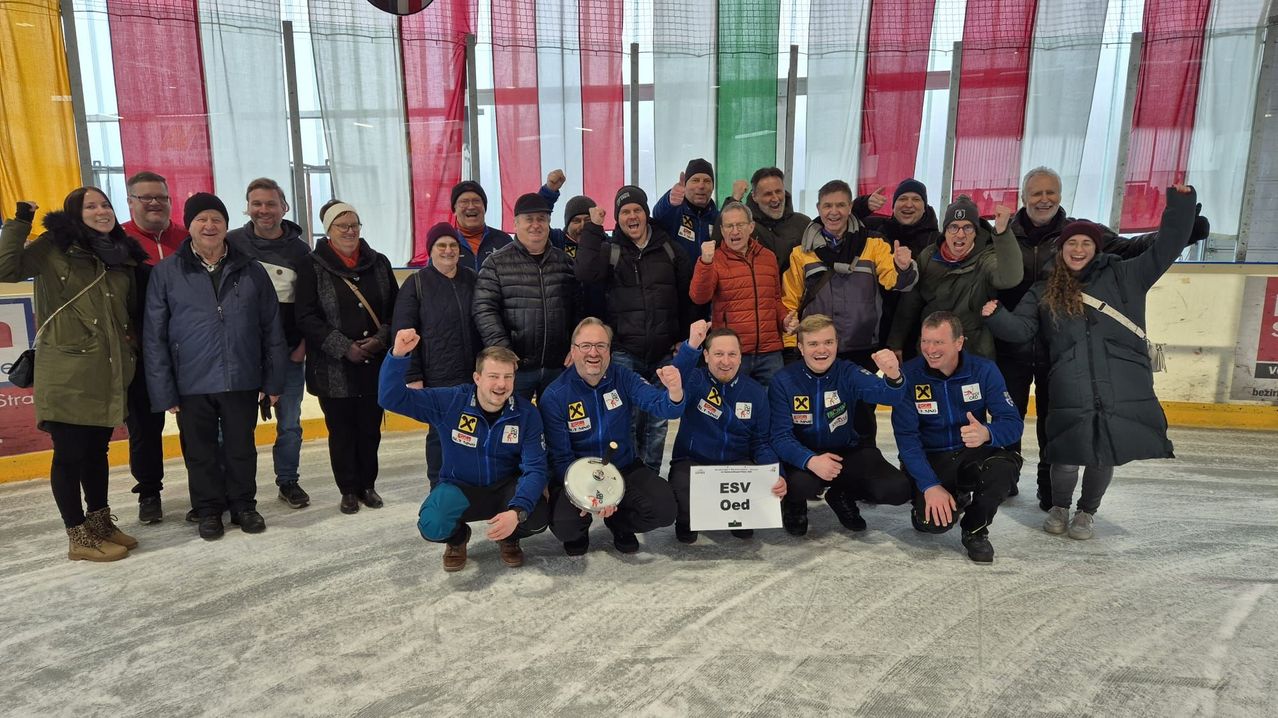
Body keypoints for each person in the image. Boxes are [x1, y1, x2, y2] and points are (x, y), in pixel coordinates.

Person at [983, 185, 1199, 540]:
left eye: (1085, 243)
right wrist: (996, 317)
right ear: (1062, 248)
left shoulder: (1126, 276)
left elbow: (1167, 247)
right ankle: (1059, 505)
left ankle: (1086, 512)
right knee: (1067, 450)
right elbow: (1021, 330)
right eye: (1072, 243)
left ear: (1096, 248)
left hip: (1119, 378)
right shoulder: (1044, 289)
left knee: (1103, 453)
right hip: (1070, 379)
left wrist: (1180, 205)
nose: (1078, 249)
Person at [1, 191, 147, 561]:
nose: (102, 212)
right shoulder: (54, 248)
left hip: (108, 369)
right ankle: (77, 535)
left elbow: (126, 314)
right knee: (69, 453)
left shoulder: (121, 255)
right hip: (66, 369)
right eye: (91, 206)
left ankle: (100, 522)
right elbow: (6, 269)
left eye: (106, 205)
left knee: (96, 451)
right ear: (74, 214)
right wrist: (20, 222)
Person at [144, 193, 287, 540]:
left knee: (241, 448)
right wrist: (165, 391)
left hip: (241, 377)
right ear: (189, 226)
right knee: (200, 452)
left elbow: (271, 328)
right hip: (191, 382)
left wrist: (273, 381)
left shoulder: (251, 270)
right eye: (201, 220)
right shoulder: (166, 273)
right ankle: (209, 509)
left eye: (216, 219)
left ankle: (243, 506)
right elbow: (154, 335)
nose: (209, 226)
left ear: (226, 225)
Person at [380, 335, 550, 571]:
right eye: (493, 376)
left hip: (505, 489)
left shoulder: (526, 414)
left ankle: (509, 536)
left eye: (507, 377)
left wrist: (517, 511)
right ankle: (458, 539)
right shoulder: (451, 401)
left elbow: (535, 468)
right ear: (477, 378)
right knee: (432, 523)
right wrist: (398, 356)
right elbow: (391, 398)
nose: (501, 384)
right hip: (460, 488)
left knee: (537, 515)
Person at [781, 179, 917, 443]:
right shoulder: (801, 253)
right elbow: (790, 303)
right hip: (818, 351)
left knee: (863, 416)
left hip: (861, 347)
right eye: (828, 205)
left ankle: (863, 465)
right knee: (819, 416)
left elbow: (896, 281)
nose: (834, 212)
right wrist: (790, 345)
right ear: (818, 208)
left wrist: (902, 267)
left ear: (850, 207)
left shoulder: (874, 244)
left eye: (841, 205)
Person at [540, 318, 683, 555]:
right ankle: (579, 528)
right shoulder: (555, 395)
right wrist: (587, 495)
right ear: (573, 351)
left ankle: (620, 524)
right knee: (566, 526)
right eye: (585, 346)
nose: (593, 353)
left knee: (665, 509)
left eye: (601, 346)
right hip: (576, 474)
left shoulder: (624, 378)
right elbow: (560, 456)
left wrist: (675, 391)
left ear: (609, 351)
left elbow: (664, 407)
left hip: (622, 468)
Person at [891, 312, 1024, 563]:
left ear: (959, 343)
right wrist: (929, 486)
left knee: (1003, 467)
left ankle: (975, 531)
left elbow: (1013, 423)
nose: (930, 349)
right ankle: (948, 495)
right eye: (925, 341)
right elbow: (907, 441)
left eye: (938, 342)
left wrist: (987, 433)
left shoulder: (983, 370)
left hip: (971, 452)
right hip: (932, 458)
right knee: (932, 525)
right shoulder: (908, 376)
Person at [575, 187, 692, 470]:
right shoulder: (610, 250)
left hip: (663, 351)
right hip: (625, 351)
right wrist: (593, 228)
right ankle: (624, 478)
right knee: (624, 419)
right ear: (618, 218)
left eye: (637, 210)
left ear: (646, 213)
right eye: (625, 212)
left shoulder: (669, 248)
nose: (632, 216)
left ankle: (649, 477)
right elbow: (584, 272)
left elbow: (686, 294)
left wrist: (683, 337)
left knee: (657, 423)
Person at [295, 200, 398, 514]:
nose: (350, 231)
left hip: (374, 365)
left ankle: (368, 485)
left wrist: (380, 340)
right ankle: (348, 490)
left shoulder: (379, 263)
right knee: (341, 432)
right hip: (332, 369)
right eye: (343, 225)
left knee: (370, 429)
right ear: (329, 231)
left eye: (354, 224)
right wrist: (344, 347)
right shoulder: (311, 265)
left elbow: (396, 310)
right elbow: (306, 316)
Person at [768, 314, 911, 536]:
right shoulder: (783, 380)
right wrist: (811, 460)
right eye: (813, 344)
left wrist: (894, 375)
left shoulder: (848, 372)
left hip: (845, 450)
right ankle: (795, 503)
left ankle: (842, 494)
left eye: (828, 342)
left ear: (837, 344)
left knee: (897, 489)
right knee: (800, 485)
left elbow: (891, 397)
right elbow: (779, 437)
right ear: (801, 347)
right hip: (803, 455)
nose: (821, 350)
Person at [227, 177, 313, 511]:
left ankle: (288, 481)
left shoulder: (300, 250)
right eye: (257, 203)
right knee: (235, 427)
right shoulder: (232, 243)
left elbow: (311, 304)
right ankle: (235, 488)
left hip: (290, 355)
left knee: (289, 424)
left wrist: (302, 346)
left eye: (271, 203)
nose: (264, 210)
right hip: (242, 357)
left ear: (284, 207)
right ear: (247, 207)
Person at [668, 320, 786, 543]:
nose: (725, 361)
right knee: (680, 493)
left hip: (737, 464)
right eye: (718, 354)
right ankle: (686, 519)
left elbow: (761, 442)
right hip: (694, 462)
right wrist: (690, 345)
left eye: (732, 354)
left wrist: (776, 472)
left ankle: (738, 517)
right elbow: (675, 375)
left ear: (741, 357)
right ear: (706, 356)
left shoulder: (755, 392)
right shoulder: (694, 380)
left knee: (746, 529)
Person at [391, 221, 481, 487]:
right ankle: (439, 484)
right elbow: (404, 332)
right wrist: (414, 374)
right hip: (437, 375)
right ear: (431, 250)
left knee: (473, 427)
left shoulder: (472, 279)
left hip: (473, 373)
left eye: (453, 245)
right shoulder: (416, 284)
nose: (448, 250)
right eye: (441, 245)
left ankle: (473, 480)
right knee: (440, 433)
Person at [120, 171, 186, 523]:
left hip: (189, 351)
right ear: (130, 202)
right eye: (145, 198)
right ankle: (149, 491)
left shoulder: (187, 238)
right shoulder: (118, 241)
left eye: (160, 197)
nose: (154, 203)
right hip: (141, 354)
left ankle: (206, 488)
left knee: (197, 425)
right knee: (145, 429)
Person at [885, 196, 1022, 361]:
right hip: (932, 351)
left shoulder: (987, 257)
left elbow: (1010, 278)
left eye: (968, 228)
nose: (960, 234)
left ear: (976, 231)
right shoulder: (929, 256)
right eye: (953, 227)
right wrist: (895, 342)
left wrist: (1003, 233)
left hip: (974, 352)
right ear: (945, 230)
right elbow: (910, 302)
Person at [473, 192, 577, 401]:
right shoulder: (496, 263)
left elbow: (578, 307)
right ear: (516, 224)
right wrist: (504, 353)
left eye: (541, 219)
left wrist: (576, 345)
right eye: (529, 219)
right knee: (513, 427)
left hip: (558, 366)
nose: (535, 225)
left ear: (548, 223)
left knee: (557, 427)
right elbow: (484, 310)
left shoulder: (564, 262)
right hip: (515, 369)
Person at [689, 200, 786, 385]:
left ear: (751, 227)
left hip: (770, 352)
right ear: (722, 230)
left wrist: (784, 319)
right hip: (732, 353)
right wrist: (705, 263)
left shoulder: (768, 257)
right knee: (732, 409)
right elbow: (699, 297)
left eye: (740, 225)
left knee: (772, 407)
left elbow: (775, 299)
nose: (735, 231)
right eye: (729, 226)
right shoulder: (714, 259)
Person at [743, 167, 810, 275]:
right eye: (768, 194)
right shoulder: (744, 228)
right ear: (754, 196)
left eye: (778, 191)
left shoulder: (803, 223)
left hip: (795, 291)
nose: (775, 199)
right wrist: (733, 200)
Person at [653, 158, 720, 264]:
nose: (701, 186)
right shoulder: (674, 212)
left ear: (712, 187)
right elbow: (657, 215)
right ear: (685, 185)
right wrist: (668, 200)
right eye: (695, 180)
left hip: (707, 278)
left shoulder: (717, 218)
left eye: (707, 181)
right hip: (677, 279)